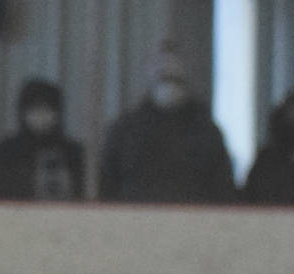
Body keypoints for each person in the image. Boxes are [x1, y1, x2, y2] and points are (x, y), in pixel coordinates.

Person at [98, 42, 238, 204]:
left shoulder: (207, 132)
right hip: (136, 220)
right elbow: (108, 187)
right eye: (163, 76)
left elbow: (223, 190)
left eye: (175, 78)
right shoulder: (125, 131)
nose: (169, 83)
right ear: (150, 73)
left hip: (193, 221)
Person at [0, 78, 86, 201]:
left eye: (48, 108)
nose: (41, 114)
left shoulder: (75, 154)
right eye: (35, 108)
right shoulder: (6, 153)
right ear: (22, 111)